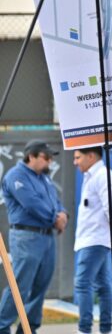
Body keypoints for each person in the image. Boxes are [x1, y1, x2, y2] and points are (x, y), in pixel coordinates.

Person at [0, 140, 67, 334]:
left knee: (40, 286)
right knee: (19, 286)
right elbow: (31, 204)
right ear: (31, 156)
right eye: (46, 157)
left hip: (47, 238)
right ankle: (2, 326)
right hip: (27, 237)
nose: (50, 162)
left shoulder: (44, 179)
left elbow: (56, 202)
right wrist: (55, 218)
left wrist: (63, 215)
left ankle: (28, 328)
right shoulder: (16, 176)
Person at [72, 146, 112, 334]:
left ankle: (84, 329)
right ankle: (106, 330)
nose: (75, 162)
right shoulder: (92, 177)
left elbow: (111, 208)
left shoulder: (104, 176)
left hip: (95, 240)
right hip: (93, 239)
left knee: (82, 283)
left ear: (91, 156)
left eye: (78, 157)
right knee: (103, 286)